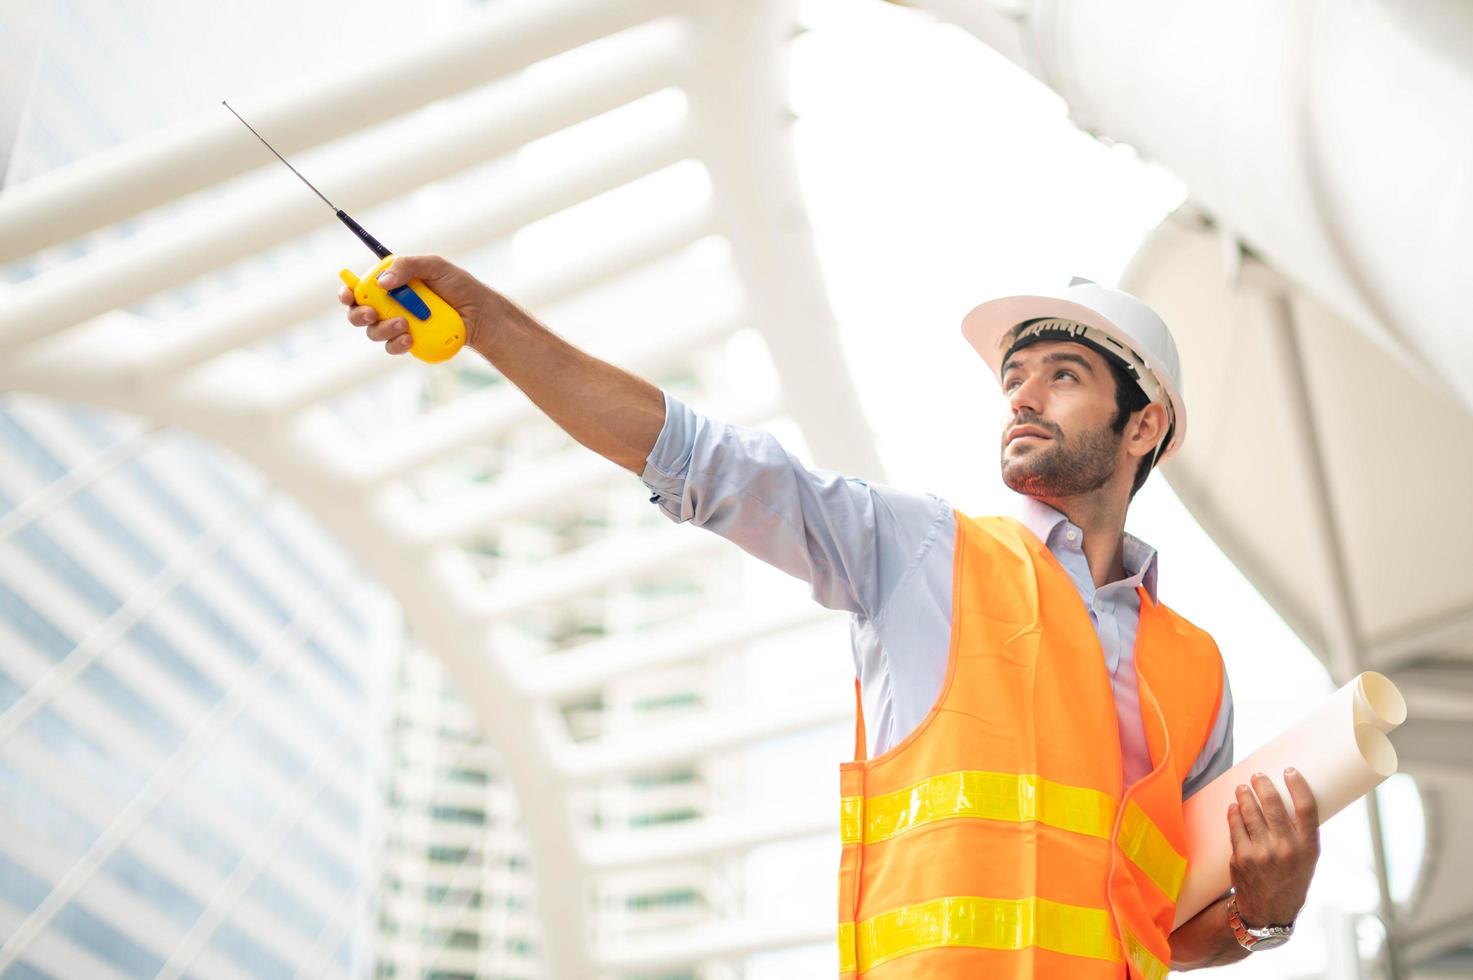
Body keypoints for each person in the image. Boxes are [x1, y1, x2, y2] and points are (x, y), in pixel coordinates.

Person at [340, 260, 1321, 977]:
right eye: (1014, 376)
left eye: (1062, 374)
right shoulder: (921, 550)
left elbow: (1165, 925)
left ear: (1143, 423)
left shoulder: (1196, 669)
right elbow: (702, 461)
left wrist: (1262, 916)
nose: (1022, 393)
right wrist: (487, 321)